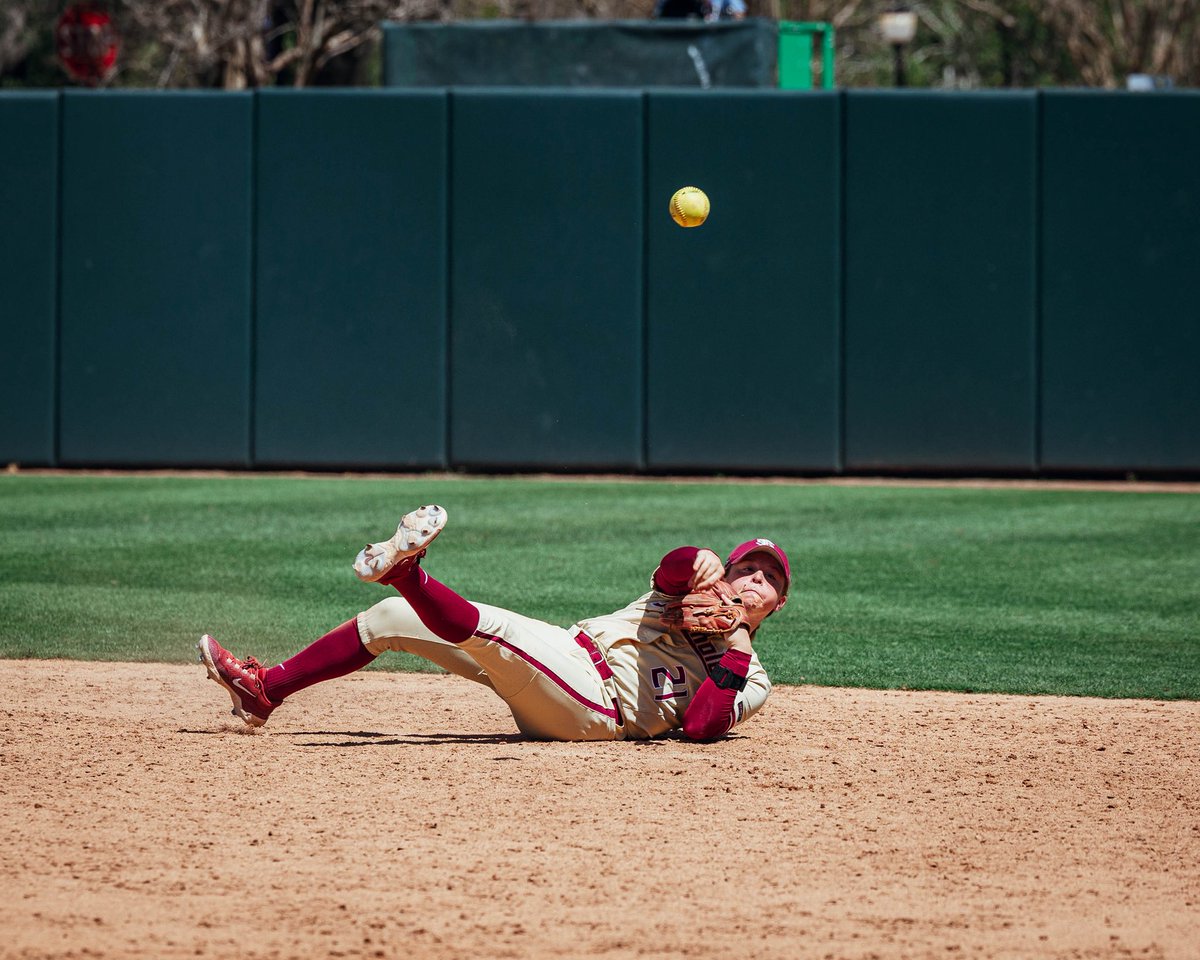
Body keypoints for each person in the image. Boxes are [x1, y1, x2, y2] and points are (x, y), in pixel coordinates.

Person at [198, 504, 790, 742]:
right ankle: (264, 692)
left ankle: (408, 571)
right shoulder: (679, 595)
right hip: (567, 653)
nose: (752, 580)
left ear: (776, 606)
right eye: (746, 568)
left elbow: (703, 729)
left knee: (493, 629)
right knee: (389, 619)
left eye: (768, 579)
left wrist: (733, 647)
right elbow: (668, 571)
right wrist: (695, 559)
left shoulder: (754, 677)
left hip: (596, 709)